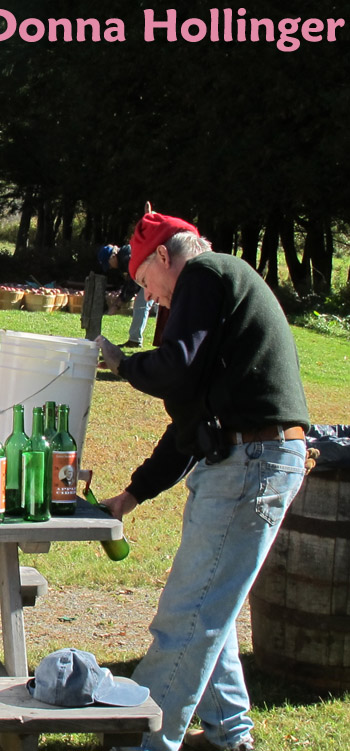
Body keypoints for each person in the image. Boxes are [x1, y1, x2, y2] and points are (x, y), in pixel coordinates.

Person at [95, 210, 309, 751]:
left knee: (188, 613)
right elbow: (190, 420)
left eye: (146, 283)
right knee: (212, 605)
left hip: (251, 461)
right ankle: (228, 732)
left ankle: (139, 738)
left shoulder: (205, 274)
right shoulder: (219, 285)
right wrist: (135, 492)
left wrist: (122, 365)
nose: (153, 298)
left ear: (164, 256)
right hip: (249, 456)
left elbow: (176, 366)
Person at [98, 242, 154, 347]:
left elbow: (133, 284)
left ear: (113, 257)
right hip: (151, 276)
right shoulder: (125, 255)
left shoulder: (126, 257)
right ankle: (135, 339)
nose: (111, 267)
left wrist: (118, 304)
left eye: (109, 264)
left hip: (153, 277)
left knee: (141, 305)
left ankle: (135, 341)